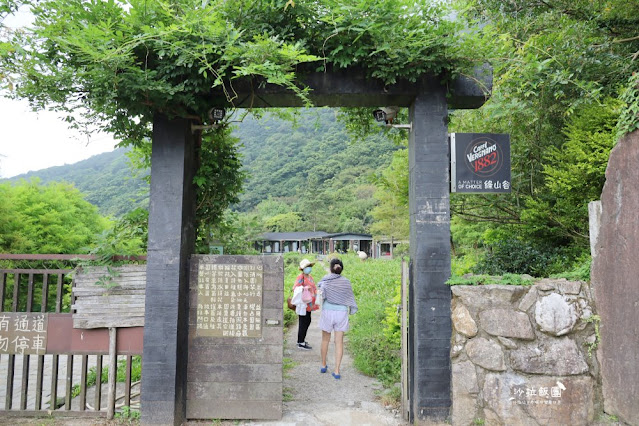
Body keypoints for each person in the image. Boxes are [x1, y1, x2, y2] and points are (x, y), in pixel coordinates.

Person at [317, 257, 357, 379]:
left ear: (331, 268)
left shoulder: (325, 281)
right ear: (341, 269)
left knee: (325, 340)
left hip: (328, 312)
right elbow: (350, 297)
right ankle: (337, 370)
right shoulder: (346, 282)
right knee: (339, 342)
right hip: (342, 313)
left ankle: (324, 365)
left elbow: (321, 294)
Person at [293, 258, 319, 350]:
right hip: (303, 304)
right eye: (307, 267)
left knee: (307, 321)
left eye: (309, 266)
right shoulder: (301, 277)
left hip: (309, 304)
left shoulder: (310, 277)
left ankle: (302, 340)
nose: (309, 268)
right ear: (303, 268)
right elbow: (295, 288)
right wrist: (305, 288)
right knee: (303, 321)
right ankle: (300, 342)